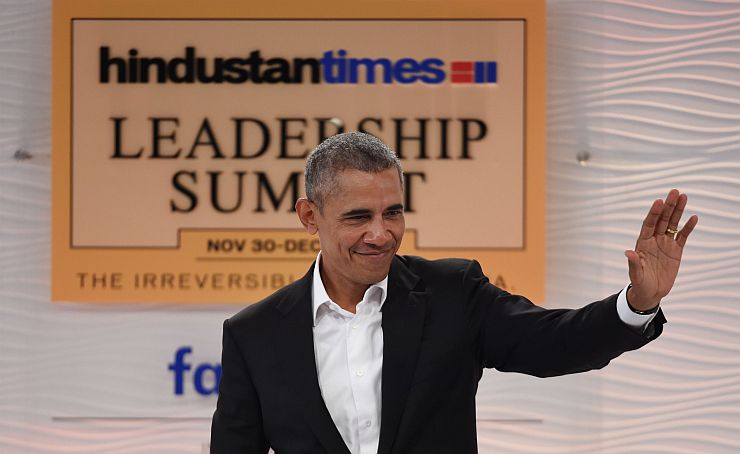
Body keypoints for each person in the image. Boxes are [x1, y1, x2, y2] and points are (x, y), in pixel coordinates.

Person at [210, 132, 698, 454]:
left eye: (393, 212)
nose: (380, 234)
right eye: (358, 217)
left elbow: (557, 341)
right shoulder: (254, 334)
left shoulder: (453, 294)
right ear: (309, 216)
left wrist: (637, 304)